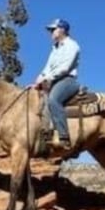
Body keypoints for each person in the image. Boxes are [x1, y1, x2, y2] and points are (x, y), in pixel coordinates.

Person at [31, 18, 80, 148]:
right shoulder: (54, 49)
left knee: (53, 99)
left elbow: (65, 68)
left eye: (53, 29)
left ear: (62, 29)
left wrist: (46, 78)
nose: (51, 32)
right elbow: (47, 68)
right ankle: (43, 134)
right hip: (52, 80)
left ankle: (64, 137)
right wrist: (38, 79)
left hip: (67, 80)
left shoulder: (72, 45)